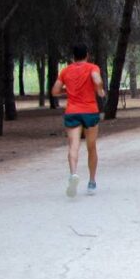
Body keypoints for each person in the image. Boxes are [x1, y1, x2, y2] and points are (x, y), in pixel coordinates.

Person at [51, 44, 106, 197]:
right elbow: (96, 79)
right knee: (91, 147)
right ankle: (92, 182)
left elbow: (55, 91)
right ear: (86, 55)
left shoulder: (65, 71)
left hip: (72, 112)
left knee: (73, 146)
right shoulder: (92, 68)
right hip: (90, 112)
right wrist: (100, 90)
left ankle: (73, 174)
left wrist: (68, 90)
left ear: (72, 57)